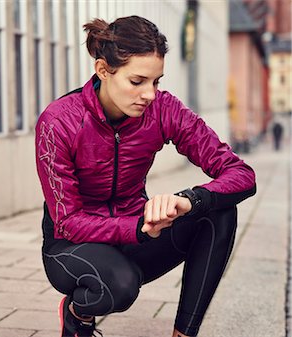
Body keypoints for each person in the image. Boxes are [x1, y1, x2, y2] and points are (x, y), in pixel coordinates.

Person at [35, 16, 256, 337]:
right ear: (102, 71)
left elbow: (241, 174)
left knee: (218, 212)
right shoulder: (59, 122)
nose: (150, 94)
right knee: (120, 287)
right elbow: (67, 221)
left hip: (136, 233)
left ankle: (183, 334)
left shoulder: (163, 109)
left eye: (156, 82)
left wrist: (190, 201)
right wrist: (137, 227)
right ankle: (76, 315)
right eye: (137, 81)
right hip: (73, 246)